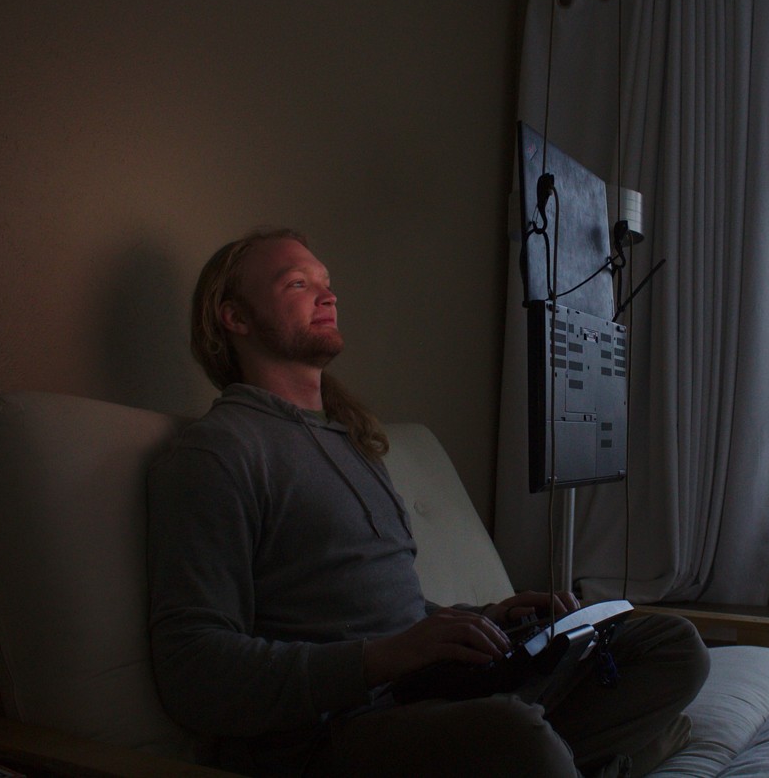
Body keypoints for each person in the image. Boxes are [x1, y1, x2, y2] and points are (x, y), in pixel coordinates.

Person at [147, 227, 709, 777]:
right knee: (515, 736)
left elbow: (394, 617)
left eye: (327, 281)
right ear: (236, 317)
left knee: (669, 646)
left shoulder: (349, 440)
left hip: (425, 688)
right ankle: (602, 758)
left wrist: (483, 617)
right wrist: (378, 660)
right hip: (331, 730)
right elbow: (194, 670)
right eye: (297, 283)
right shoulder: (219, 451)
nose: (329, 294)